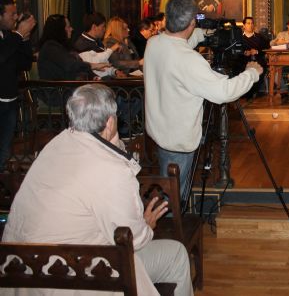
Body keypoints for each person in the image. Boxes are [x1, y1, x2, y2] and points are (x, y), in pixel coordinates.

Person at [2, 84, 193, 296]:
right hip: (76, 279)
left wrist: (114, 144)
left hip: (20, 274)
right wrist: (147, 226)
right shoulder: (112, 170)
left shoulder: (56, 145)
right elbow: (134, 239)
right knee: (176, 254)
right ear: (110, 122)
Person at [145, 0, 262, 199]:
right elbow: (224, 92)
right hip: (178, 143)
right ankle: (174, 219)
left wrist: (206, 33)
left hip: (160, 134)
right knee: (174, 199)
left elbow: (181, 42)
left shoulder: (154, 43)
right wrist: (252, 73)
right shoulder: (188, 60)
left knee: (168, 189)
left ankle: (172, 214)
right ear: (192, 23)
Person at [0, 0, 36, 171]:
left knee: (5, 150)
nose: (15, 17)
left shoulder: (9, 36)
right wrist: (19, 34)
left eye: (16, 14)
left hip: (10, 101)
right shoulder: (11, 38)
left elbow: (24, 64)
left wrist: (25, 38)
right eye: (11, 14)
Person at [37, 14, 108, 80]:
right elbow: (71, 65)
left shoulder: (63, 47)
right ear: (59, 30)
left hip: (68, 86)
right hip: (57, 88)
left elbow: (79, 64)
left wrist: (95, 77)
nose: (71, 29)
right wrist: (93, 65)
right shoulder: (50, 47)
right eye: (68, 27)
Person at [73, 13, 123, 79]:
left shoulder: (97, 41)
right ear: (94, 27)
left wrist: (114, 71)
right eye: (103, 26)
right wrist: (111, 49)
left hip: (105, 79)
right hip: (94, 82)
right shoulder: (81, 43)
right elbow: (95, 64)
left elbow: (104, 63)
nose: (105, 30)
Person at [239, 16, 270, 98]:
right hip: (242, 61)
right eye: (248, 23)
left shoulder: (260, 37)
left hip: (257, 60)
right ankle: (243, 92)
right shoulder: (239, 38)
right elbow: (236, 50)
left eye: (252, 23)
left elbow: (267, 48)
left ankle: (252, 92)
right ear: (244, 25)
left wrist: (257, 51)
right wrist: (244, 52)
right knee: (239, 69)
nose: (250, 25)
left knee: (259, 69)